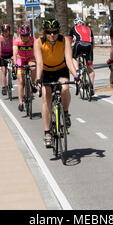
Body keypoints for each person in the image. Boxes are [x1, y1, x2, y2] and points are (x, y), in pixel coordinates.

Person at [34, 18, 81, 148]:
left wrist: (76, 76)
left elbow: (69, 60)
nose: (52, 35)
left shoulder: (64, 40)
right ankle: (47, 132)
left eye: (54, 32)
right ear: (45, 32)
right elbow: (39, 63)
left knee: (65, 88)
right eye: (49, 32)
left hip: (61, 69)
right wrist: (38, 79)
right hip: (46, 71)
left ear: (58, 31)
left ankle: (65, 113)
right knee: (46, 95)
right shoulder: (38, 42)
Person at [68, 18, 95, 95]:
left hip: (79, 44)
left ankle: (77, 70)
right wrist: (90, 52)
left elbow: (69, 42)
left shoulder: (73, 28)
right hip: (89, 46)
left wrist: (69, 50)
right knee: (90, 69)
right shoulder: (89, 29)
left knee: (73, 57)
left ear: (75, 24)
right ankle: (91, 87)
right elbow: (93, 43)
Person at [13, 24, 36, 112]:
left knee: (33, 67)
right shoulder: (17, 41)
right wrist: (15, 63)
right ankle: (21, 102)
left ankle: (32, 83)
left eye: (27, 35)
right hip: (20, 59)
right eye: (23, 35)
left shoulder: (33, 40)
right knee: (21, 81)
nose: (25, 37)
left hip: (30, 58)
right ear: (20, 35)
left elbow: (39, 49)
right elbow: (15, 53)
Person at [0, 24, 13, 96]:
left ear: (9, 31)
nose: (6, 32)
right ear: (2, 31)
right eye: (4, 31)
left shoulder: (12, 37)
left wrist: (14, 56)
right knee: (4, 71)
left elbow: (15, 46)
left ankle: (14, 72)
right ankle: (4, 87)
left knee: (15, 63)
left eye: (7, 31)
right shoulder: (0, 38)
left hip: (11, 54)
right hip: (3, 55)